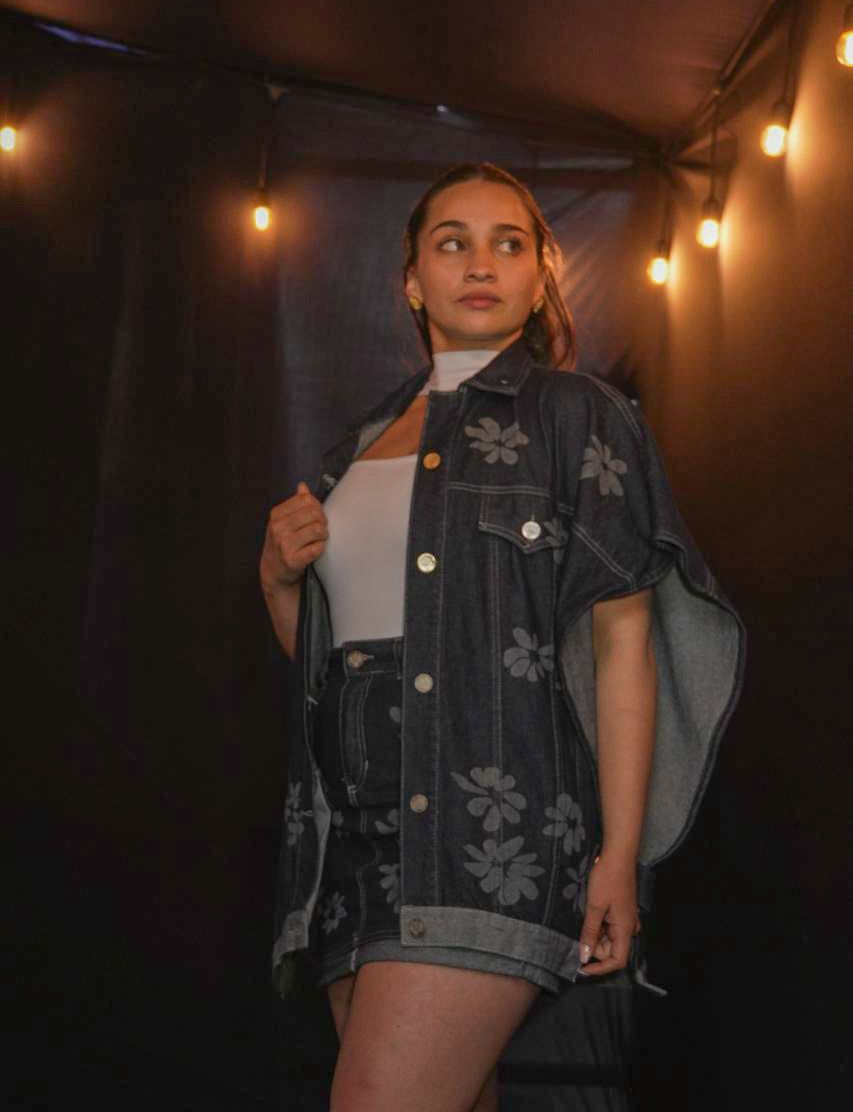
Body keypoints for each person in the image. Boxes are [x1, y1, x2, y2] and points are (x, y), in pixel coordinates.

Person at [259, 163, 746, 1112]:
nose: (480, 263)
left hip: (490, 839)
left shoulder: (578, 415)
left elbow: (622, 648)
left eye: (508, 243)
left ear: (537, 275)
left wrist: (619, 857)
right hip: (350, 854)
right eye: (452, 243)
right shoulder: (356, 445)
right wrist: (279, 583)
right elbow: (327, 669)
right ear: (412, 279)